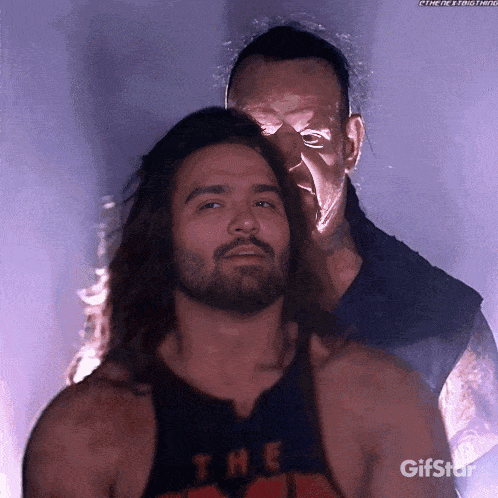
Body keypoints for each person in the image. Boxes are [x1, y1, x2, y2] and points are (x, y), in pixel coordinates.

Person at [23, 107, 457, 498]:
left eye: (264, 202)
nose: (246, 222)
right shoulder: (83, 434)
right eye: (212, 204)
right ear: (162, 236)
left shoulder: (386, 399)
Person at [225, 24, 498, 491]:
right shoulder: (164, 299)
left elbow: (480, 480)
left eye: (311, 137)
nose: (283, 166)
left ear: (349, 144)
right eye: (257, 138)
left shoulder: (441, 326)